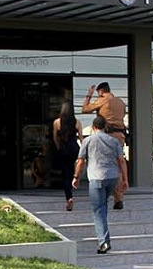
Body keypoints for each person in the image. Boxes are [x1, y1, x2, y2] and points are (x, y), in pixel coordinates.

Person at [73, 115, 128, 254]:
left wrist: (76, 177)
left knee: (98, 210)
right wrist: (125, 179)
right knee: (103, 206)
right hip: (112, 178)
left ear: (93, 127)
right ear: (105, 127)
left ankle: (104, 242)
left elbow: (80, 161)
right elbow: (121, 161)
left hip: (96, 178)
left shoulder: (88, 141)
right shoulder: (114, 141)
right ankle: (104, 236)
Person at [81, 82, 128, 210]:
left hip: (106, 136)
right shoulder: (121, 102)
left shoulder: (102, 100)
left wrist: (89, 95)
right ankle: (119, 198)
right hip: (120, 136)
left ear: (101, 92)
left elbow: (85, 109)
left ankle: (102, 195)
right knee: (118, 166)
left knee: (101, 164)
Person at [53, 100, 83, 211]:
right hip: (74, 148)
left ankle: (69, 197)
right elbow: (81, 138)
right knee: (71, 170)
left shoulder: (57, 122)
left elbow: (55, 137)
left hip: (63, 149)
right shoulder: (77, 122)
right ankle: (71, 185)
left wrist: (59, 147)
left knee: (65, 173)